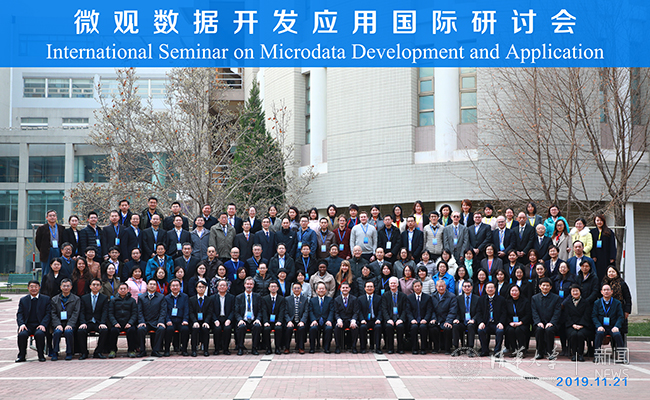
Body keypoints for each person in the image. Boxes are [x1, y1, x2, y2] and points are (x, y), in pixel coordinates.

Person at [16, 280, 50, 363]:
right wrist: (21, 324)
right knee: (22, 334)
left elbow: (48, 314)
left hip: (39, 324)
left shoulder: (46, 299)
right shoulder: (23, 300)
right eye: (31, 287)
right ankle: (22, 356)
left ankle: (41, 355)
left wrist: (43, 324)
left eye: (36, 287)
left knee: (39, 334)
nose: (34, 289)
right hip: (27, 325)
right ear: (28, 288)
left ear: (39, 287)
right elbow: (20, 314)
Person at [593, 283, 625, 362]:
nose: (606, 291)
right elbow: (594, 316)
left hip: (612, 327)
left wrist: (616, 326)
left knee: (617, 335)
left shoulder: (617, 303)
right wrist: (599, 326)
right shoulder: (597, 303)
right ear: (601, 292)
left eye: (608, 290)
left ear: (611, 292)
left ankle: (622, 356)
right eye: (604, 290)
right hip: (602, 327)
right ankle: (597, 356)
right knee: (599, 334)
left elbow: (620, 316)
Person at [77, 278, 109, 359]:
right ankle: (84, 353)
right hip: (88, 322)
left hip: (98, 322)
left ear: (100, 287)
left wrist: (102, 323)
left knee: (104, 330)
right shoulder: (84, 298)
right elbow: (82, 312)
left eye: (97, 285)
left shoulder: (104, 298)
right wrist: (83, 323)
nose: (95, 286)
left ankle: (98, 352)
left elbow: (105, 312)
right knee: (81, 331)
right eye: (93, 285)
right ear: (90, 286)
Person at [531, 277, 562, 360]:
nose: (545, 287)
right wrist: (538, 322)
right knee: (539, 330)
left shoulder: (556, 298)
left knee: (549, 330)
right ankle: (539, 352)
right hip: (539, 322)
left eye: (547, 285)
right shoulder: (534, 298)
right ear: (539, 286)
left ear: (551, 287)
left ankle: (550, 352)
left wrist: (551, 322)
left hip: (551, 323)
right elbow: (534, 312)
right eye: (543, 285)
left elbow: (557, 312)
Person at [50, 278, 81, 360]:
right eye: (64, 286)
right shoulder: (54, 299)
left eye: (68, 286)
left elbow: (76, 313)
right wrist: (57, 324)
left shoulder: (76, 299)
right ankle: (55, 352)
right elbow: (53, 313)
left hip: (70, 323)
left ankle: (69, 352)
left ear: (71, 287)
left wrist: (70, 324)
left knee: (68, 332)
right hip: (59, 322)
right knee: (57, 332)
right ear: (60, 287)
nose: (66, 288)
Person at [137, 278, 167, 357]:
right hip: (146, 322)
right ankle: (142, 350)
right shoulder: (141, 297)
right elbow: (139, 311)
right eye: (150, 284)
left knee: (161, 329)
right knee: (140, 329)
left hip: (156, 321)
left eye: (154, 284)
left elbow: (163, 311)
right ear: (147, 286)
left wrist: (161, 321)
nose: (152, 286)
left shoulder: (161, 297)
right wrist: (141, 321)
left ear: (156, 286)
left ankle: (156, 350)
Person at [108, 282, 138, 358]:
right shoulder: (113, 300)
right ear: (118, 290)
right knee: (113, 331)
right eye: (121, 289)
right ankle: (113, 350)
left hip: (128, 323)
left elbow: (134, 313)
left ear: (128, 290)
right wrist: (115, 323)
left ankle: (131, 350)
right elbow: (110, 313)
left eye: (124, 289)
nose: (123, 290)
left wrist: (130, 323)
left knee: (132, 330)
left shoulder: (132, 300)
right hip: (117, 323)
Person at [562, 284, 592, 362]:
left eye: (577, 291)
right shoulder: (567, 303)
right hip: (571, 325)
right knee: (573, 334)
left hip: (583, 325)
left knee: (580, 334)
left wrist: (581, 324)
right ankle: (574, 354)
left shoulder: (586, 302)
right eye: (573, 291)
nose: (575, 293)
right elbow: (566, 316)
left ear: (580, 292)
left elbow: (587, 315)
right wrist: (573, 324)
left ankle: (581, 354)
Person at [234, 277, 263, 355]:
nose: (249, 286)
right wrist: (240, 319)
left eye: (251, 284)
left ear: (253, 285)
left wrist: (258, 319)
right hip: (243, 319)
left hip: (254, 319)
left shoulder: (257, 296)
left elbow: (260, 310)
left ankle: (254, 348)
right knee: (241, 327)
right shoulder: (239, 297)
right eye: (247, 284)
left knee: (257, 326)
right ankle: (240, 348)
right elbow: (236, 311)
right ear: (244, 285)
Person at [476, 282, 506, 357]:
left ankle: (497, 351)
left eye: (492, 287)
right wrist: (480, 322)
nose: (490, 289)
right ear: (485, 289)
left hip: (496, 323)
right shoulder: (481, 299)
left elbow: (504, 313)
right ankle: (484, 350)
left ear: (495, 289)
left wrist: (501, 322)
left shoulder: (501, 299)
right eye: (488, 288)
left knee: (500, 331)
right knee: (480, 330)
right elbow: (478, 312)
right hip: (486, 323)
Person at [602, 265, 632, 336]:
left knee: (619, 332)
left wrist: (627, 311)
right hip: (607, 310)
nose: (611, 273)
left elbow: (628, 298)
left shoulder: (622, 284)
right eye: (609, 272)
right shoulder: (604, 284)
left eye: (613, 272)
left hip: (620, 309)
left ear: (617, 273)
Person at [35, 209, 66, 278]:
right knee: (46, 272)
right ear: (47, 218)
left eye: (54, 216)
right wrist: (43, 250)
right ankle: (44, 284)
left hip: (58, 250)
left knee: (59, 270)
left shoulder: (61, 228)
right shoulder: (41, 228)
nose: (52, 217)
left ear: (56, 217)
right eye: (50, 216)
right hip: (47, 252)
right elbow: (38, 242)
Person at [381, 276, 408, 354]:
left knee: (400, 327)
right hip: (390, 318)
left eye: (394, 283)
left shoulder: (403, 296)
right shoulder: (385, 295)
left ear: (398, 284)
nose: (393, 285)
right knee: (389, 327)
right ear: (389, 285)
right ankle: (390, 348)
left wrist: (401, 319)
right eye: (391, 283)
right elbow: (384, 309)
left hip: (399, 318)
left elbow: (405, 309)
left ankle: (400, 348)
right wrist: (388, 319)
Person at [164, 279, 190, 356]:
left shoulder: (185, 297)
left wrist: (185, 319)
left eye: (177, 285)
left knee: (185, 329)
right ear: (170, 287)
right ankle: (167, 350)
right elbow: (165, 311)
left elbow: (186, 309)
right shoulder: (166, 298)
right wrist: (167, 320)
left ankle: (184, 350)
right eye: (173, 286)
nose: (175, 287)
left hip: (181, 320)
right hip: (171, 320)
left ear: (180, 287)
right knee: (169, 329)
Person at [431, 279, 457, 354]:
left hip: (446, 319)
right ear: (436, 287)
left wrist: (448, 321)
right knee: (432, 327)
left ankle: (447, 349)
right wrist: (433, 319)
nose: (441, 288)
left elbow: (452, 311)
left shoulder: (452, 296)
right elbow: (431, 309)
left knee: (447, 328)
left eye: (443, 286)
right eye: (439, 286)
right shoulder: (432, 296)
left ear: (445, 286)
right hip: (437, 319)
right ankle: (436, 347)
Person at [452, 280, 479, 355]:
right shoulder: (458, 298)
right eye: (465, 286)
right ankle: (456, 348)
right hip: (462, 321)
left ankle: (470, 349)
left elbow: (479, 312)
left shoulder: (477, 298)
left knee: (471, 326)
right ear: (462, 288)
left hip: (472, 321)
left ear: (472, 287)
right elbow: (456, 311)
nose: (467, 288)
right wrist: (457, 319)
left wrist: (473, 319)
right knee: (455, 326)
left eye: (468, 286)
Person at [505, 284, 532, 357]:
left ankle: (522, 350)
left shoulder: (525, 301)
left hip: (523, 323)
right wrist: (510, 322)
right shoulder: (507, 301)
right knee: (510, 330)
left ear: (519, 292)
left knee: (519, 330)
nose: (514, 292)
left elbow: (528, 314)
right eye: (512, 291)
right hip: (511, 323)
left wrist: (521, 322)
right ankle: (514, 350)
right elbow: (505, 314)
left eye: (516, 291)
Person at [188, 280, 213, 357]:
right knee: (195, 329)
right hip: (194, 321)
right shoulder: (191, 299)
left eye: (203, 287)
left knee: (205, 329)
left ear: (205, 288)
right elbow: (191, 312)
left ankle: (205, 350)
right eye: (199, 287)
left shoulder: (209, 299)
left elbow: (210, 312)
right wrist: (194, 321)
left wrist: (206, 322)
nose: (201, 289)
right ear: (196, 288)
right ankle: (194, 350)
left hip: (205, 321)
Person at [333, 281, 359, 353]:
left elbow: (356, 311)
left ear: (349, 289)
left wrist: (353, 320)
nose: (345, 289)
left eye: (346, 288)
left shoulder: (354, 299)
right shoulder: (336, 299)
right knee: (337, 328)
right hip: (341, 320)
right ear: (340, 289)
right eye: (343, 288)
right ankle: (338, 347)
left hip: (350, 320)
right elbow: (336, 312)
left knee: (355, 328)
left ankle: (353, 347)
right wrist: (338, 319)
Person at [407, 280, 432, 354]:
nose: (417, 288)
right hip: (414, 320)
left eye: (418, 286)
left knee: (423, 327)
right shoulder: (409, 297)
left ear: (421, 287)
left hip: (423, 320)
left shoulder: (427, 297)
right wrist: (411, 319)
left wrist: (425, 319)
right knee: (414, 327)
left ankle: (423, 348)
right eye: (415, 286)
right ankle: (414, 348)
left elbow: (429, 310)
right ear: (413, 288)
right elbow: (408, 311)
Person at [284, 281, 310, 354]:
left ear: (301, 289)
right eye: (295, 288)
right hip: (291, 320)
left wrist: (302, 321)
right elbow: (285, 312)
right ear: (292, 289)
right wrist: (288, 321)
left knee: (302, 328)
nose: (296, 290)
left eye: (298, 288)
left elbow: (306, 311)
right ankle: (287, 347)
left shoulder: (305, 299)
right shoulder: (287, 299)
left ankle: (301, 347)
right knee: (288, 328)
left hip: (300, 320)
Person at [309, 282, 334, 353]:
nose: (321, 290)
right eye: (319, 289)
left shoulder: (330, 300)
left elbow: (331, 311)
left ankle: (326, 348)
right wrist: (313, 320)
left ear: (326, 290)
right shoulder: (312, 300)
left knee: (329, 328)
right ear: (316, 290)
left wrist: (329, 320)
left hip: (326, 321)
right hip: (316, 321)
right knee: (313, 329)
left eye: (323, 289)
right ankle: (312, 348)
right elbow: (310, 311)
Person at [262, 281, 286, 354]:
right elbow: (264, 311)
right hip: (268, 321)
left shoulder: (281, 299)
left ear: (278, 288)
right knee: (266, 329)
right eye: (271, 286)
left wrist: (279, 321)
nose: (273, 288)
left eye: (275, 286)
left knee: (278, 328)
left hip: (277, 320)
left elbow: (282, 311)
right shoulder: (264, 299)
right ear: (269, 288)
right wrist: (265, 321)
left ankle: (277, 348)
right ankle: (268, 348)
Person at [212, 279, 235, 355]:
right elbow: (211, 311)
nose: (222, 287)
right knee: (217, 329)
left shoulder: (231, 297)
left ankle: (226, 349)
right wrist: (215, 320)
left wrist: (229, 319)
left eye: (224, 285)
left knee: (227, 329)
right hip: (217, 318)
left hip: (227, 318)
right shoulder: (212, 298)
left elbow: (233, 310)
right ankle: (217, 349)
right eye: (220, 285)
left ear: (227, 287)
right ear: (217, 287)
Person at [591, 215, 617, 280]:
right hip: (597, 256)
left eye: (601, 220)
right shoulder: (592, 232)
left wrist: (612, 257)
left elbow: (612, 245)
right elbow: (591, 245)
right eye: (597, 220)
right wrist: (593, 255)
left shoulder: (609, 232)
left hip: (606, 255)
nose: (599, 222)